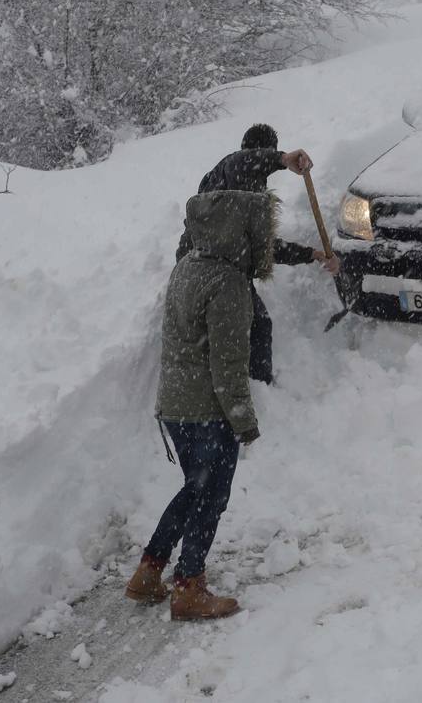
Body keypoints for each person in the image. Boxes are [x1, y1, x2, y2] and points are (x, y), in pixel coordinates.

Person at [126, 188, 274, 619]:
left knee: (194, 490)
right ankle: (189, 586)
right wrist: (244, 420)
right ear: (238, 234)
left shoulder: (188, 266)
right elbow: (228, 366)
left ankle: (149, 571)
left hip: (175, 404)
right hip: (207, 410)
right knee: (210, 498)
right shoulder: (227, 284)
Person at [175, 123, 339, 384]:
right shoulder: (234, 168)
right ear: (261, 152)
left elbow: (262, 248)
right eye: (265, 156)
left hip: (196, 267)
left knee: (248, 325)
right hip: (215, 269)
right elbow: (245, 162)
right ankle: (256, 389)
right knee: (258, 325)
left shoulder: (227, 184)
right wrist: (283, 159)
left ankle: (235, 389)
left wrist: (312, 254)